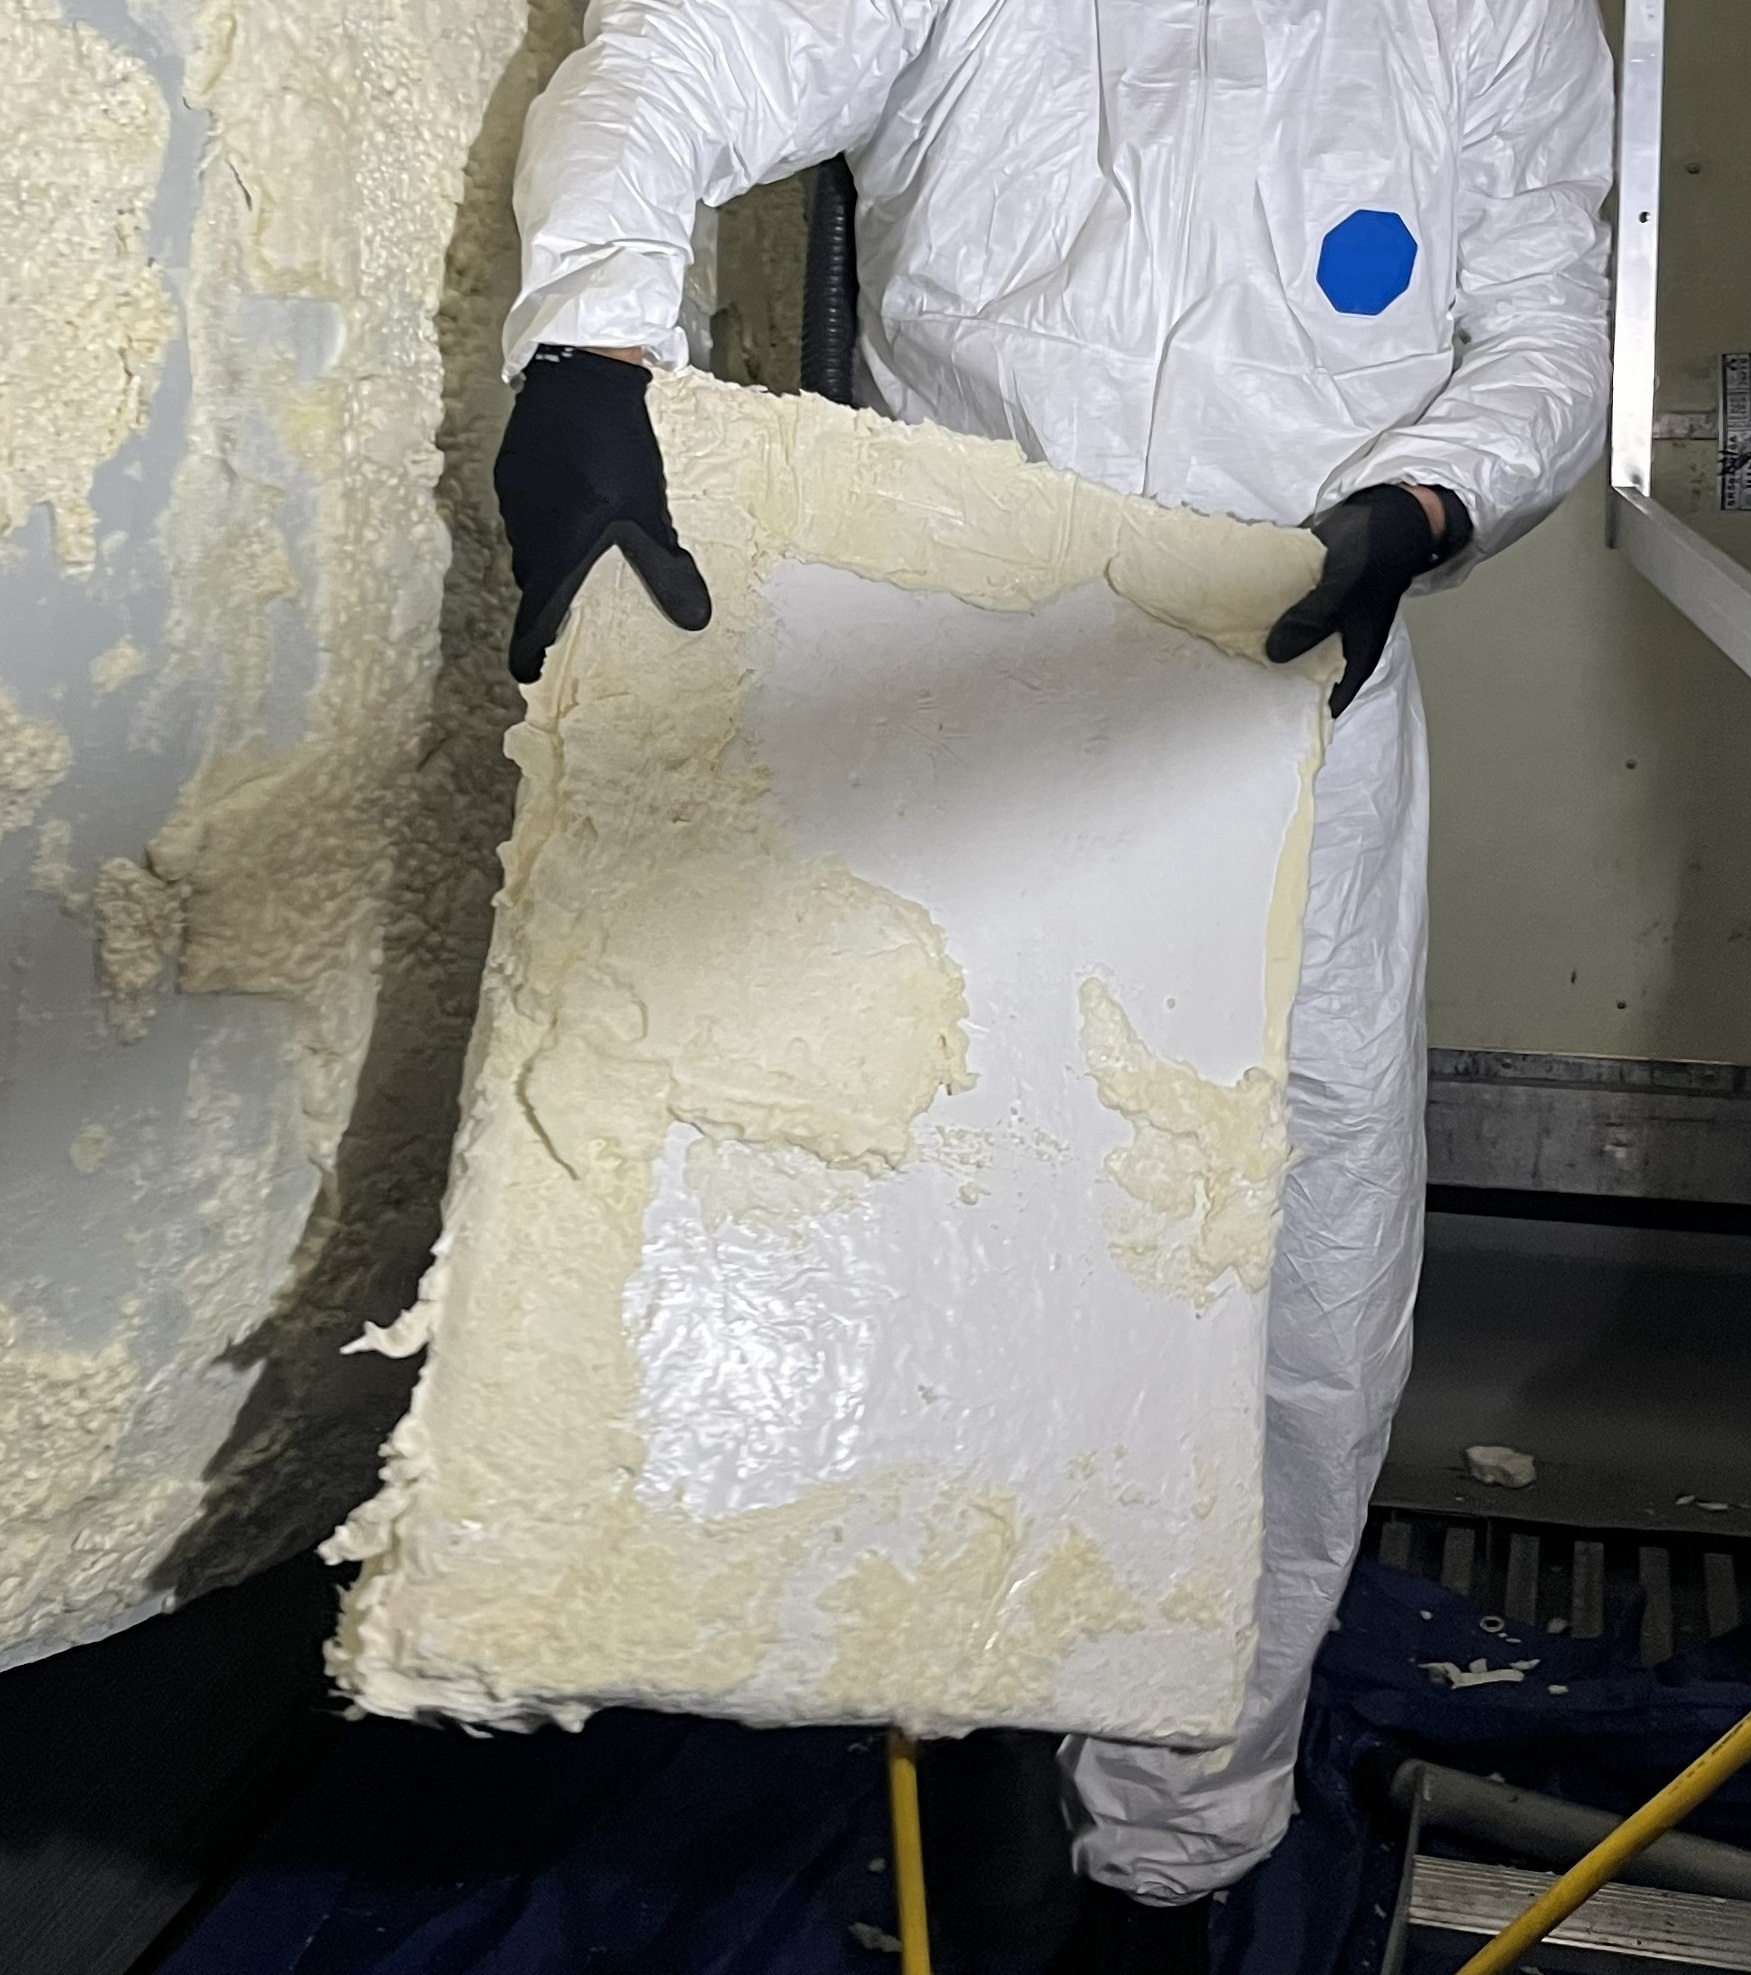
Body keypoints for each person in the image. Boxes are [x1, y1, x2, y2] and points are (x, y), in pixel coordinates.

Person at [493, 2, 1613, 1966]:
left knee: (1283, 1310)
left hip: (1291, 709)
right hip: (972, 691)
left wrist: (1426, 502)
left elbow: (1546, 319)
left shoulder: (1485, 18)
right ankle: (977, 1774)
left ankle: (1170, 1861)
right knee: (956, 1268)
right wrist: (591, 343)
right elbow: (677, 68)